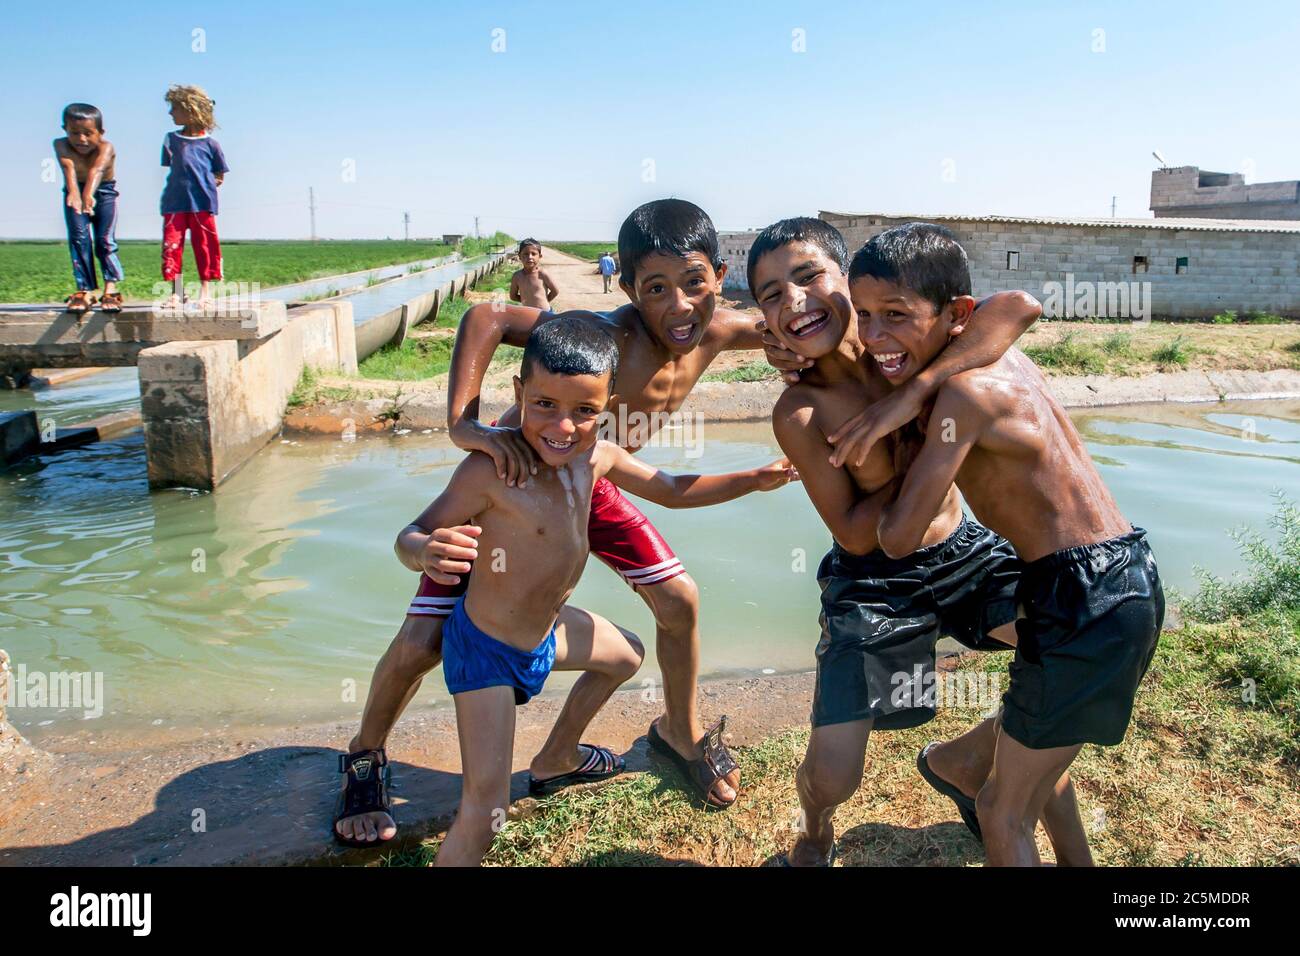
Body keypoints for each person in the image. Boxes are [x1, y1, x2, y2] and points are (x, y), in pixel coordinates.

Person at [337, 198, 809, 847]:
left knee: (679, 600)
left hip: (594, 476)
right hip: (515, 480)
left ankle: (676, 731)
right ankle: (365, 756)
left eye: (694, 284)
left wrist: (834, 356)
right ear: (628, 289)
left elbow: (802, 326)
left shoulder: (723, 331)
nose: (678, 307)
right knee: (423, 643)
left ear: (719, 275)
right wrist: (464, 425)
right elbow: (488, 315)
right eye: (656, 289)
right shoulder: (602, 333)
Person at [747, 218, 1069, 866]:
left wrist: (911, 398)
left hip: (965, 552)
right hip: (872, 585)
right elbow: (854, 530)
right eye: (772, 295)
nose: (795, 302)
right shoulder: (800, 412)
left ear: (852, 280)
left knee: (1073, 640)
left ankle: (968, 762)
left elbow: (1015, 309)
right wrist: (923, 452)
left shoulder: (902, 344)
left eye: (810, 277)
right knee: (834, 774)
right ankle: (814, 833)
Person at [854, 223, 1164, 867]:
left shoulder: (961, 396)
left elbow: (899, 537)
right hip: (1128, 573)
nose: (873, 336)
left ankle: (965, 773)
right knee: (1034, 753)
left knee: (1003, 810)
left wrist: (891, 440)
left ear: (957, 315)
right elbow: (1017, 306)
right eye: (863, 316)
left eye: (896, 315)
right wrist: (912, 389)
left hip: (1077, 593)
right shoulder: (999, 358)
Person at [160, 84, 228, 310]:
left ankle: (205, 291)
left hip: (203, 203)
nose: (171, 113)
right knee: (172, 245)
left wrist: (213, 181)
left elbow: (219, 173)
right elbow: (172, 166)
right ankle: (176, 292)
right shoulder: (170, 140)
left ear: (191, 111)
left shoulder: (211, 145)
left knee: (205, 245)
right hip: (174, 202)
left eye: (175, 109)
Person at [53, 103, 123, 314]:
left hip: (104, 193)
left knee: (104, 240)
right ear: (65, 130)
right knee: (79, 238)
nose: (81, 139)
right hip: (74, 192)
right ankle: (84, 290)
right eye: (75, 133)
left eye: (88, 133)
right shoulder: (61, 145)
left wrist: (88, 195)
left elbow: (97, 170)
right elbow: (68, 169)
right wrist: (75, 193)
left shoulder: (106, 147)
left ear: (100, 133)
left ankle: (110, 288)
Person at [509, 238, 558, 309]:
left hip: (544, 313)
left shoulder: (542, 274)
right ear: (519, 256)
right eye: (526, 254)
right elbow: (513, 296)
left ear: (540, 256)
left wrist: (544, 301)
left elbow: (555, 291)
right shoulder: (517, 276)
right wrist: (526, 301)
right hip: (527, 313)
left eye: (533, 254)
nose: (529, 257)